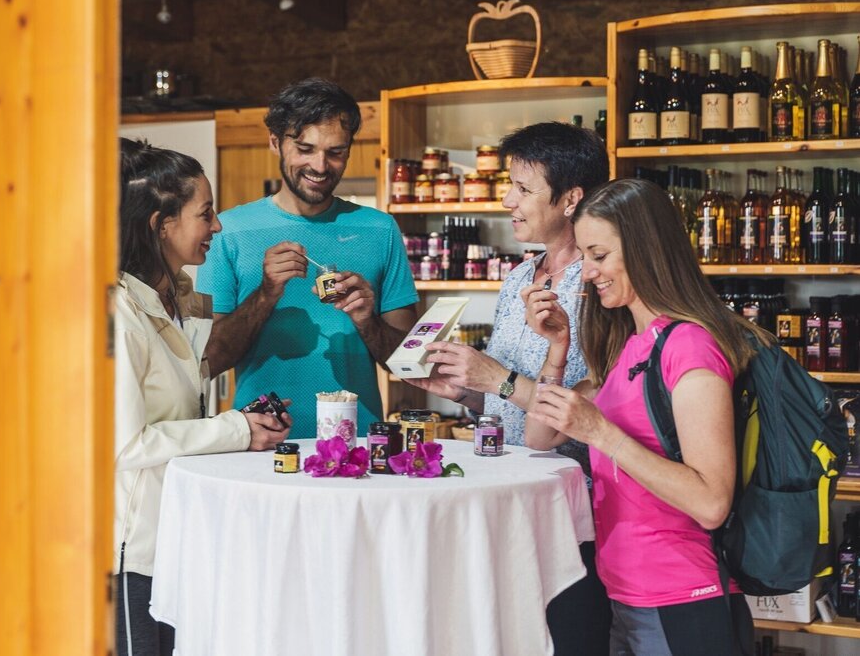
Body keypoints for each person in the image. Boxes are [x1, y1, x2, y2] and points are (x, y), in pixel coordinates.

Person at [524, 178, 770, 656]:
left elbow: (711, 502)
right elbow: (540, 434)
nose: (588, 272)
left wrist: (601, 432)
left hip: (683, 599)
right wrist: (557, 351)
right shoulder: (630, 344)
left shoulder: (691, 348)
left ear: (644, 249)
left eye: (599, 255)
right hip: (626, 596)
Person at [402, 121, 611, 655]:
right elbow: (506, 395)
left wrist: (494, 377)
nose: (508, 200)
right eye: (509, 185)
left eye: (523, 188)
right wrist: (464, 389)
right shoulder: (518, 277)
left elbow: (582, 405)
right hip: (506, 490)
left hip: (574, 501)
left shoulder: (599, 284)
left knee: (568, 637)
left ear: (571, 199)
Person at [114, 138, 290, 656]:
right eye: (206, 214)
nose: (217, 226)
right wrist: (237, 429)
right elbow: (125, 445)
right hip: (134, 552)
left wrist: (245, 423)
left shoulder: (178, 300)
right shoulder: (117, 315)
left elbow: (185, 404)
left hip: (180, 535)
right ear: (159, 224)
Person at [198, 78, 418, 438]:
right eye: (305, 148)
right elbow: (208, 360)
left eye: (336, 151)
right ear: (275, 142)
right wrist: (265, 294)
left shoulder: (379, 229)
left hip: (356, 443)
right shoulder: (229, 231)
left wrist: (367, 321)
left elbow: (408, 364)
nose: (320, 165)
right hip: (262, 441)